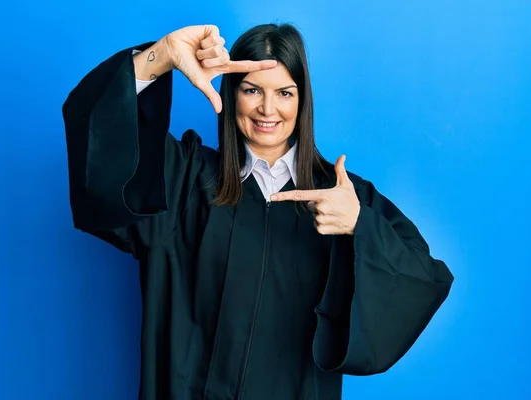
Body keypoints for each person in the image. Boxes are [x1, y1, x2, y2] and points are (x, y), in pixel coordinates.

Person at [62, 23, 454, 400]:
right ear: (232, 93)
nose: (268, 109)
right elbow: (102, 141)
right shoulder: (184, 179)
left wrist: (361, 227)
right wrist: (160, 56)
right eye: (252, 90)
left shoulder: (340, 197)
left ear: (303, 101)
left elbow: (422, 277)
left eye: (285, 93)